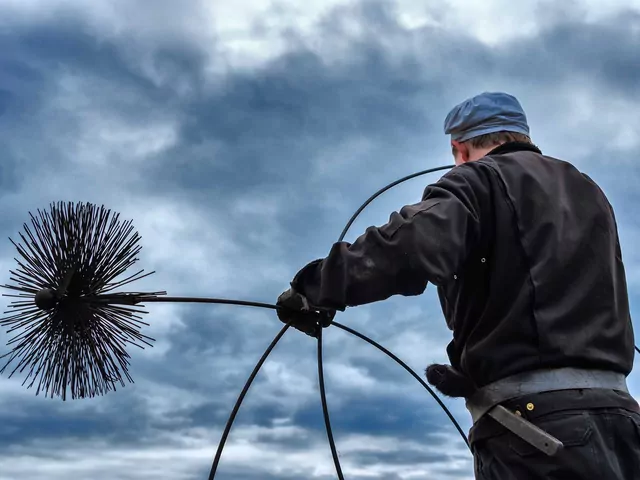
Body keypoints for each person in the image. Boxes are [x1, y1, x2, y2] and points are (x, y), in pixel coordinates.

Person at [275, 91, 640, 479]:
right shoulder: (589, 191)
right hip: (623, 426)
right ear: (521, 135)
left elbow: (411, 247)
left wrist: (312, 289)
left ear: (460, 148)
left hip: (538, 433)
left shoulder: (477, 179)